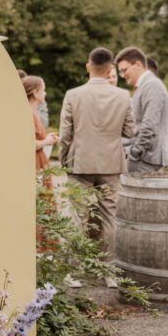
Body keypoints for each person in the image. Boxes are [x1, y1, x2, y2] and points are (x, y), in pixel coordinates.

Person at [58, 47, 134, 259]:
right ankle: (108, 268)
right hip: (111, 166)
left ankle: (74, 270)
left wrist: (64, 160)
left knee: (77, 217)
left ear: (88, 67)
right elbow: (130, 131)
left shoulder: (73, 95)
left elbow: (65, 134)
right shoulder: (123, 96)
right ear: (110, 68)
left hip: (80, 163)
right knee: (110, 217)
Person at [116, 46, 168, 172]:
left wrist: (134, 153)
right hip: (143, 157)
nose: (122, 75)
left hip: (145, 159)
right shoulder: (144, 86)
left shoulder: (152, 86)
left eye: (124, 70)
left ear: (137, 64)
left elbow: (149, 126)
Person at [22, 76, 58, 170]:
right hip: (32, 165)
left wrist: (47, 137)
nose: (45, 94)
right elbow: (26, 144)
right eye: (43, 90)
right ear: (35, 93)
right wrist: (47, 141)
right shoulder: (27, 114)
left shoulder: (32, 113)